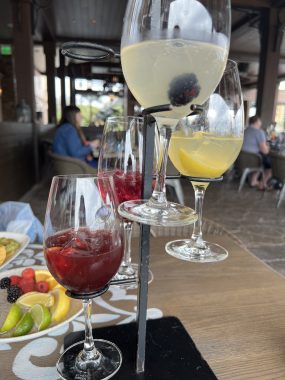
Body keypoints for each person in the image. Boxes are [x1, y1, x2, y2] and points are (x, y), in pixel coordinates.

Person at [242, 115, 272, 189]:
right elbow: (265, 151)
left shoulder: (245, 131)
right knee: (269, 165)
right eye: (260, 121)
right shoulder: (259, 132)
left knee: (261, 159)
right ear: (257, 122)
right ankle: (262, 184)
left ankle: (254, 180)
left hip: (241, 161)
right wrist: (268, 147)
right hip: (253, 161)